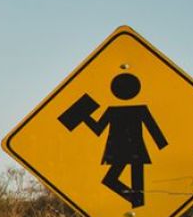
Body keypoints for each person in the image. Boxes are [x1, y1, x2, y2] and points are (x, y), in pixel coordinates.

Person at [63, 73, 166, 208]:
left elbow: (97, 129)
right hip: (130, 152)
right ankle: (135, 201)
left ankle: (137, 202)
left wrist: (84, 116)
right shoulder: (125, 110)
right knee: (113, 180)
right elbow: (98, 129)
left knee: (132, 183)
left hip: (123, 152)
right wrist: (85, 116)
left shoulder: (131, 110)